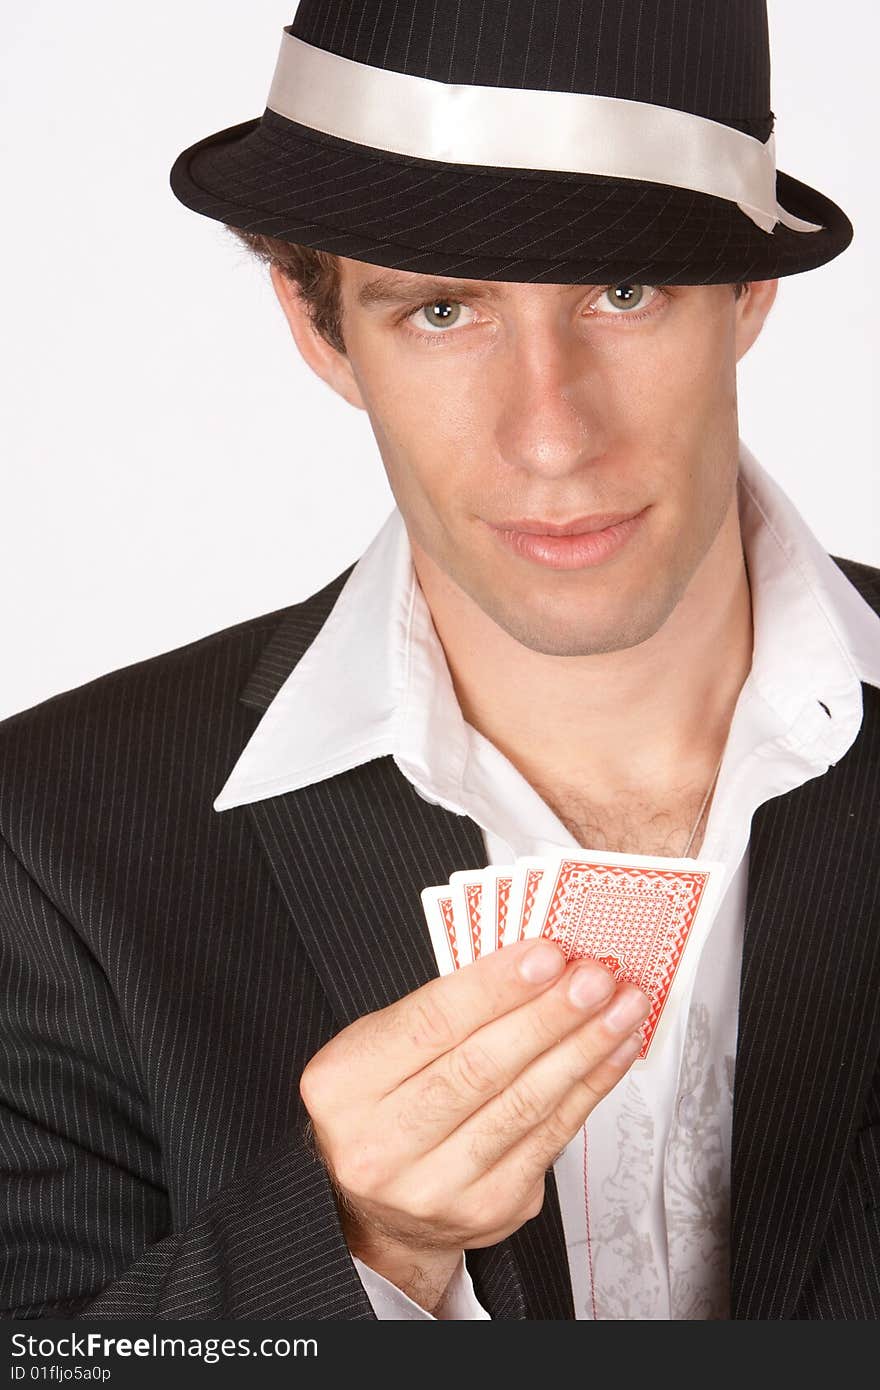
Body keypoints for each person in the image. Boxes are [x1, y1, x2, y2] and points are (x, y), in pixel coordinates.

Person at [1, 0, 878, 1322]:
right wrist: (360, 1246)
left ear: (749, 287)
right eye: (445, 309)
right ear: (320, 326)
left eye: (625, 290)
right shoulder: (54, 841)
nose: (550, 434)